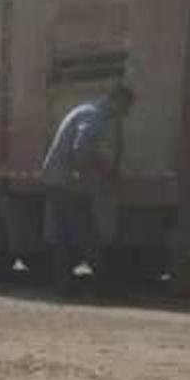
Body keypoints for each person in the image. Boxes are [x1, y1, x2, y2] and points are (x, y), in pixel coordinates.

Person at [42, 84, 135, 293]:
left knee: (64, 235)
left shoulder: (88, 110)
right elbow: (82, 149)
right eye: (125, 107)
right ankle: (104, 284)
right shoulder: (95, 117)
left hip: (56, 179)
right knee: (85, 231)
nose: (125, 113)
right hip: (67, 183)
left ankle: (63, 284)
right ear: (117, 101)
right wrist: (100, 175)